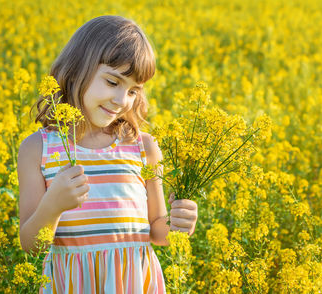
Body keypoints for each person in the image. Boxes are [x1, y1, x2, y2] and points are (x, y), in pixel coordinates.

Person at [17, 15, 198, 293]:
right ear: (78, 70)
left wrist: (178, 224)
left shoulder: (143, 147)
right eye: (113, 83)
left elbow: (157, 230)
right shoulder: (37, 149)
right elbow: (31, 246)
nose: (121, 100)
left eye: (133, 91)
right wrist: (52, 206)